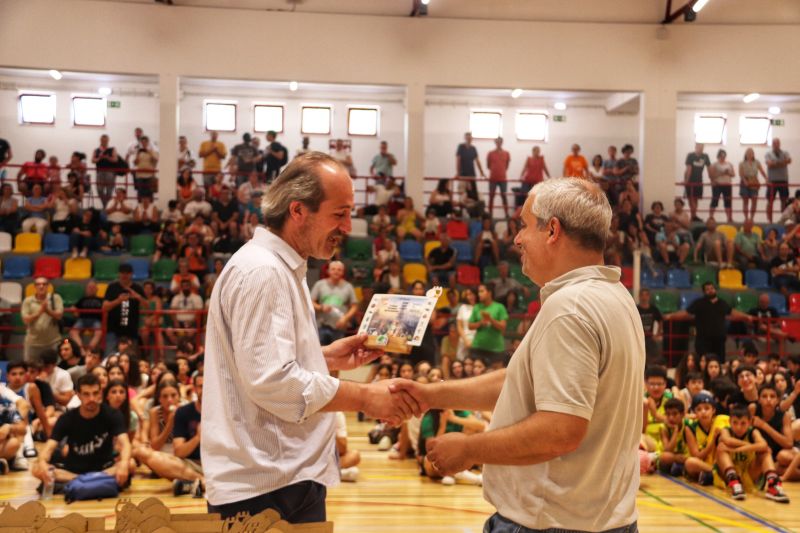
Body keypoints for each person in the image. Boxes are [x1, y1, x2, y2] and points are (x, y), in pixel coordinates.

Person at [390, 178, 643, 532]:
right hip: (603, 520)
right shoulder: (615, 296)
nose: (517, 239)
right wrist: (432, 394)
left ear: (552, 230)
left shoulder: (570, 308)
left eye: (524, 225)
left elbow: (561, 430)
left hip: (550, 522)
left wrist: (469, 449)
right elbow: (522, 382)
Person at [202, 152, 423, 521]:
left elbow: (261, 361)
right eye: (340, 214)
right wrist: (365, 397)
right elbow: (273, 381)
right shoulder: (264, 272)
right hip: (264, 485)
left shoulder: (283, 267)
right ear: (298, 210)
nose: (347, 227)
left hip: (281, 476)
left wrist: (325, 357)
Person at [32, 374, 132, 490]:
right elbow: (49, 447)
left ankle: (83, 482)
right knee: (37, 469)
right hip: (74, 471)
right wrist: (43, 463)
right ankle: (89, 480)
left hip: (104, 468)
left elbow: (125, 443)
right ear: (78, 395)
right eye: (86, 394)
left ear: (101, 393)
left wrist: (124, 463)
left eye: (95, 393)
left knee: (131, 464)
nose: (91, 399)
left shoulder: (113, 414)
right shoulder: (66, 418)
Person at [715, 405, 789, 502]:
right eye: (735, 423)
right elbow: (727, 440)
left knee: (765, 451)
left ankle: (773, 484)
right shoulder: (726, 430)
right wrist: (752, 446)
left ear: (749, 422)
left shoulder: (753, 431)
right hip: (728, 475)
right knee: (721, 447)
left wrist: (736, 449)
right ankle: (734, 482)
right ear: (729, 422)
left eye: (743, 423)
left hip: (749, 473)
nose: (738, 427)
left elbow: (764, 445)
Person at [665, 283, 752, 363]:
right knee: (703, 362)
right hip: (703, 340)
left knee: (719, 362)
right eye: (707, 289)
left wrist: (746, 316)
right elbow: (686, 313)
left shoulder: (722, 303)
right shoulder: (699, 303)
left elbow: (732, 312)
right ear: (704, 292)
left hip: (719, 341)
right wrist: (671, 316)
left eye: (712, 288)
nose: (710, 290)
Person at [310, 260, 359, 345]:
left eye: (339, 270)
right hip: (321, 325)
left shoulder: (348, 286)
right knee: (320, 350)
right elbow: (310, 302)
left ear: (343, 272)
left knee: (338, 350)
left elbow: (354, 306)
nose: (336, 271)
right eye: (333, 269)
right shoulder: (319, 284)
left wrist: (345, 318)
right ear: (328, 271)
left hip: (339, 325)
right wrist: (321, 307)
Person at [102, 264, 146, 355]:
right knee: (110, 356)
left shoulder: (137, 288)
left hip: (131, 330)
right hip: (113, 330)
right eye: (122, 273)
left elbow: (147, 307)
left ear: (131, 274)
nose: (125, 275)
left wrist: (138, 297)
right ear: (119, 274)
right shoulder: (112, 287)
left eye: (127, 273)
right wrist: (118, 301)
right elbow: (104, 307)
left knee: (131, 358)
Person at [21, 278, 64, 362]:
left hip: (53, 342)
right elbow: (26, 320)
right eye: (38, 284)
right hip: (33, 343)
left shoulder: (55, 298)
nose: (41, 286)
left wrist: (47, 310)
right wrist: (40, 312)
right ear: (35, 287)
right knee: (31, 367)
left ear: (48, 286)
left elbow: (59, 316)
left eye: (44, 284)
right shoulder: (28, 301)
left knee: (55, 367)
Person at [765, 138, 792, 223]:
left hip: (783, 180)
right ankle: (769, 220)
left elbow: (789, 160)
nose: (776, 145)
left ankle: (783, 220)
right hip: (772, 181)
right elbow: (769, 164)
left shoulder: (785, 153)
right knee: (770, 201)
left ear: (779, 144)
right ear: (772, 144)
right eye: (774, 143)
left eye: (777, 143)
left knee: (784, 201)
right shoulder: (768, 154)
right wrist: (782, 163)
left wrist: (775, 163)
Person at [739, 148, 767, 220]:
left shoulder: (757, 162)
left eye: (751, 153)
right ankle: (746, 218)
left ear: (753, 154)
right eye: (748, 153)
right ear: (745, 154)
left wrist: (766, 179)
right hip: (745, 182)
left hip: (754, 182)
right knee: (745, 201)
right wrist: (745, 181)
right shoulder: (742, 163)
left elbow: (762, 171)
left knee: (754, 201)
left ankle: (751, 218)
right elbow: (741, 174)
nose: (750, 154)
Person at [709, 149, 735, 223]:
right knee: (714, 200)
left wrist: (728, 173)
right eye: (721, 156)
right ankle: (711, 217)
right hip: (718, 184)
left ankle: (729, 218)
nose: (723, 157)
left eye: (724, 156)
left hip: (727, 184)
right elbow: (712, 175)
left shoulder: (729, 164)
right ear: (718, 156)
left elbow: (733, 174)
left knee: (728, 202)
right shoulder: (714, 165)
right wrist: (721, 173)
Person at [486, 137, 510, 218]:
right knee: (491, 196)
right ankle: (490, 215)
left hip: (503, 178)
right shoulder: (490, 153)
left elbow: (506, 166)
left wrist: (501, 171)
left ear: (502, 142)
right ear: (495, 143)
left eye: (500, 141)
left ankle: (506, 214)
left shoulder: (506, 153)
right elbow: (488, 165)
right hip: (493, 178)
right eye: (497, 142)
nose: (499, 143)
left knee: (504, 196)